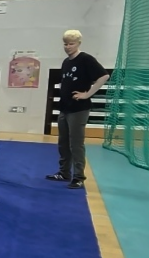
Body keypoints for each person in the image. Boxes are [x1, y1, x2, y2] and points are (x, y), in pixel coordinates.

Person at [46, 30, 109, 190]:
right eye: (65, 44)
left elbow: (104, 76)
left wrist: (87, 94)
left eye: (71, 44)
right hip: (65, 108)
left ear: (78, 44)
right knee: (63, 143)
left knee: (76, 144)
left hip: (78, 109)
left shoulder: (86, 59)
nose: (68, 47)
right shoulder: (66, 62)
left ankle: (79, 176)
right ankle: (64, 172)